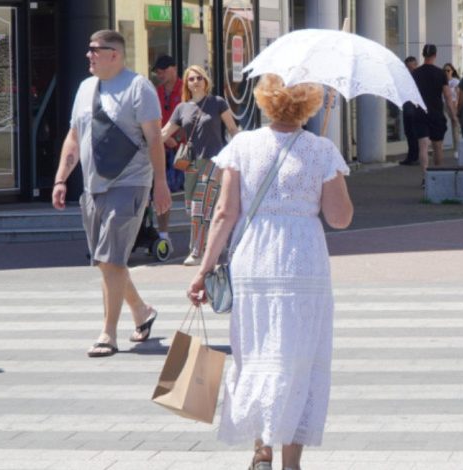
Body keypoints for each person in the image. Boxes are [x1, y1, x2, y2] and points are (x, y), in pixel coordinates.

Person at [187, 73, 353, 470]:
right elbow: (340, 218)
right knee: (299, 358)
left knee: (256, 351)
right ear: (310, 103)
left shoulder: (243, 145)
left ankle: (261, 450)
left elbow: (224, 213)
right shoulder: (322, 149)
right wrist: (332, 175)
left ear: (264, 99)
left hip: (255, 259)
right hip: (304, 262)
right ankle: (291, 462)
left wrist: (203, 270)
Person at [51, 29, 171, 357]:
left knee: (110, 259)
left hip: (129, 183)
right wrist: (61, 178)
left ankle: (108, 333)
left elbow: (155, 138)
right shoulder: (85, 88)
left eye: (95, 50)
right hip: (92, 187)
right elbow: (74, 137)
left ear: (114, 55)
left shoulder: (138, 87)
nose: (88, 55)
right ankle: (142, 311)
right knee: (107, 263)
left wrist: (160, 183)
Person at [161, 65, 239, 266]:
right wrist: (143, 143)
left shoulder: (217, 102)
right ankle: (217, 243)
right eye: (191, 79)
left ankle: (196, 252)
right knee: (194, 207)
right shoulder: (182, 108)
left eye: (199, 78)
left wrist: (242, 151)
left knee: (200, 205)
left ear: (206, 81)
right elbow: (165, 132)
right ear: (186, 84)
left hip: (215, 161)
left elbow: (232, 129)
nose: (195, 82)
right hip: (191, 164)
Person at [411, 44, 458, 186]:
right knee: (438, 146)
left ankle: (426, 178)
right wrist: (453, 116)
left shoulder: (415, 73)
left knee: (423, 146)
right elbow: (448, 96)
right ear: (435, 55)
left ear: (423, 55)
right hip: (436, 113)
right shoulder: (440, 73)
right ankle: (438, 177)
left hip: (420, 112)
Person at [152, 55, 183, 251]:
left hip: (184, 151)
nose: (160, 75)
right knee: (162, 190)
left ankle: (201, 238)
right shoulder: (157, 92)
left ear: (174, 68)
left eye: (163, 71)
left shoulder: (185, 89)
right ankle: (163, 235)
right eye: (158, 72)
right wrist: (164, 138)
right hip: (161, 149)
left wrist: (175, 138)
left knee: (191, 195)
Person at [399, 56, 419, 165]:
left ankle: (414, 157)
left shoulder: (419, 77)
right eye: (407, 68)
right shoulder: (404, 78)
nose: (409, 70)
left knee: (414, 133)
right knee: (409, 132)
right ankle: (411, 156)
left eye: (411, 68)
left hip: (414, 108)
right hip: (407, 107)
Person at [443, 63, 461, 158]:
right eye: (445, 70)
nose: (446, 72)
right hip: (444, 104)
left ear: (452, 71)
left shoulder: (455, 81)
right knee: (446, 125)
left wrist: (457, 106)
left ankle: (457, 149)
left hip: (453, 104)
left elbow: (458, 95)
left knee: (455, 126)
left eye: (448, 70)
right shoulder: (442, 81)